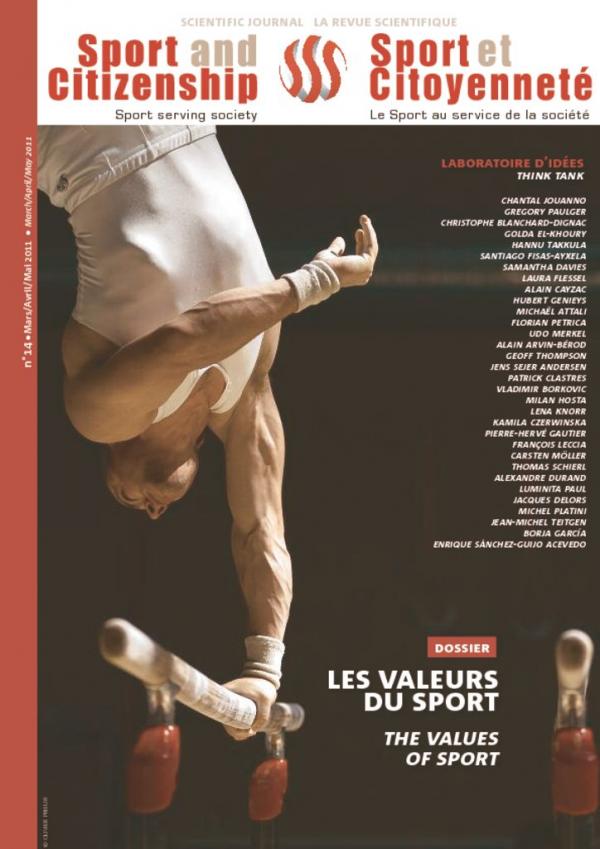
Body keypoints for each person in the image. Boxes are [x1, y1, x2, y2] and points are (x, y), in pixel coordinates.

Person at [38, 125, 378, 738]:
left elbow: (187, 337)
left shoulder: (102, 415)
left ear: (114, 459)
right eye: (149, 511)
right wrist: (264, 668)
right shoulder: (247, 392)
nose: (150, 510)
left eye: (124, 498)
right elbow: (261, 530)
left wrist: (313, 283)